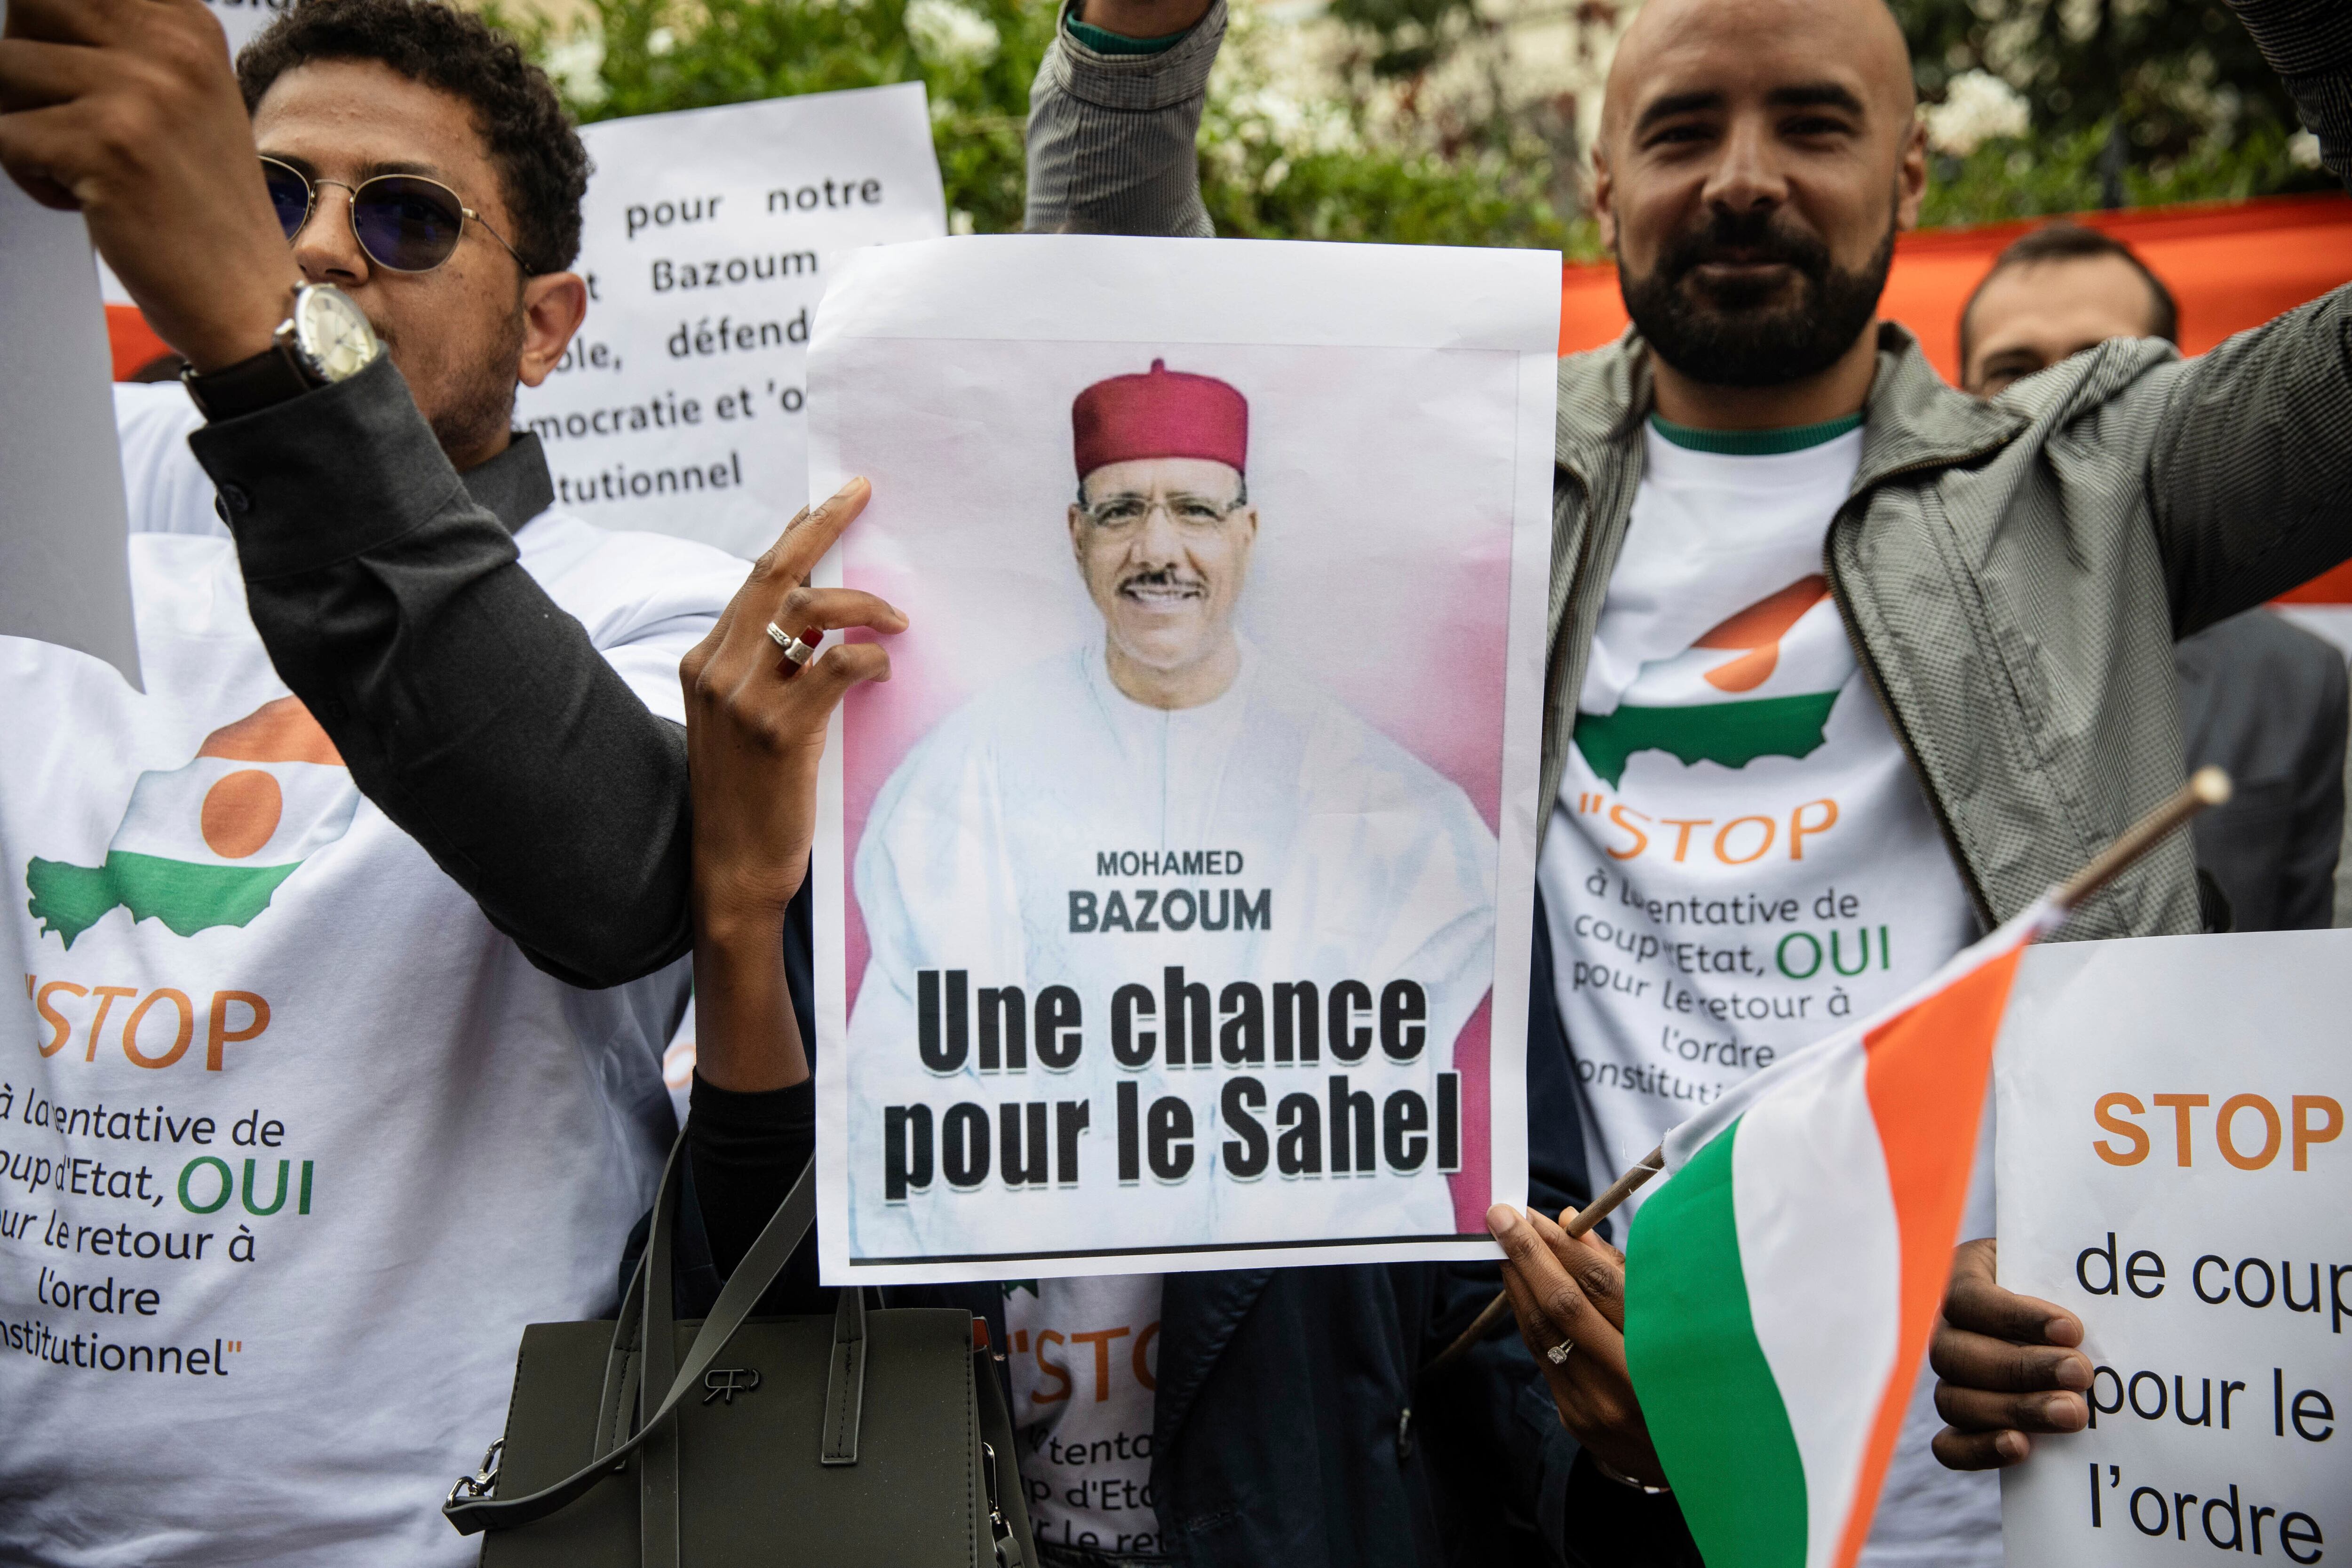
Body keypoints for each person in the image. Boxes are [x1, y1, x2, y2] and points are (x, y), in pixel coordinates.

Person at [1019, 0, 2352, 1557]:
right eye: (1682, 129)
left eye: (1813, 123)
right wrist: (1140, 30)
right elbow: (1114, 300)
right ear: (1601, 182)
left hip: (2064, 1486)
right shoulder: (1463, 480)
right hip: (1604, 1491)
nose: (1743, 176)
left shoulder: (2098, 475)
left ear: (1911, 170)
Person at [0, 0, 768, 1561]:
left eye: (405, 218)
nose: (317, 248)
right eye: (267, 194)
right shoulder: (61, 583)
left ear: (547, 325)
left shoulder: (662, 608)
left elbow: (611, 872)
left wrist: (266, 341)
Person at [848, 358, 1498, 1261]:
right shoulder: (961, 779)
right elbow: (896, 1117)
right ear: (1076, 534)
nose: (1158, 551)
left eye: (1194, 510)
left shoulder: (1388, 804)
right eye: (1122, 512)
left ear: (1247, 532)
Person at [1959, 222, 2348, 932]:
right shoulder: (1872, 656)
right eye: (2014, 370)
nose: (2053, 399)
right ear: (1961, 403)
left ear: (2179, 392)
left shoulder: (2297, 680)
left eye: (2097, 364)